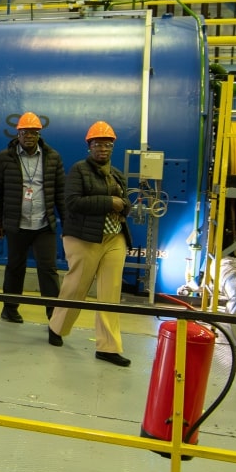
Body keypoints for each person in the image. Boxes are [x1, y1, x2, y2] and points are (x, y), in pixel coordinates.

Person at [47, 121, 133, 367]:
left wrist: (123, 206)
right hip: (83, 239)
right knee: (76, 288)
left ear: (113, 147)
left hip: (114, 238)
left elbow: (125, 202)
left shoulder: (117, 174)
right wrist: (110, 202)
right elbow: (72, 202)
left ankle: (108, 347)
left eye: (107, 144)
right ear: (89, 146)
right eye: (97, 144)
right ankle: (57, 326)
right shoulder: (78, 170)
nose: (102, 148)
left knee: (110, 292)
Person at [0, 112, 64, 323]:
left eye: (33, 132)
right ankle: (10, 309)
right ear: (18, 134)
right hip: (16, 224)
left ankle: (54, 316)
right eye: (25, 132)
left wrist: (67, 224)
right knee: (15, 267)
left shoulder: (53, 157)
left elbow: (60, 193)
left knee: (48, 270)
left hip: (43, 223)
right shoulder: (4, 158)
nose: (29, 136)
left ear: (39, 134)